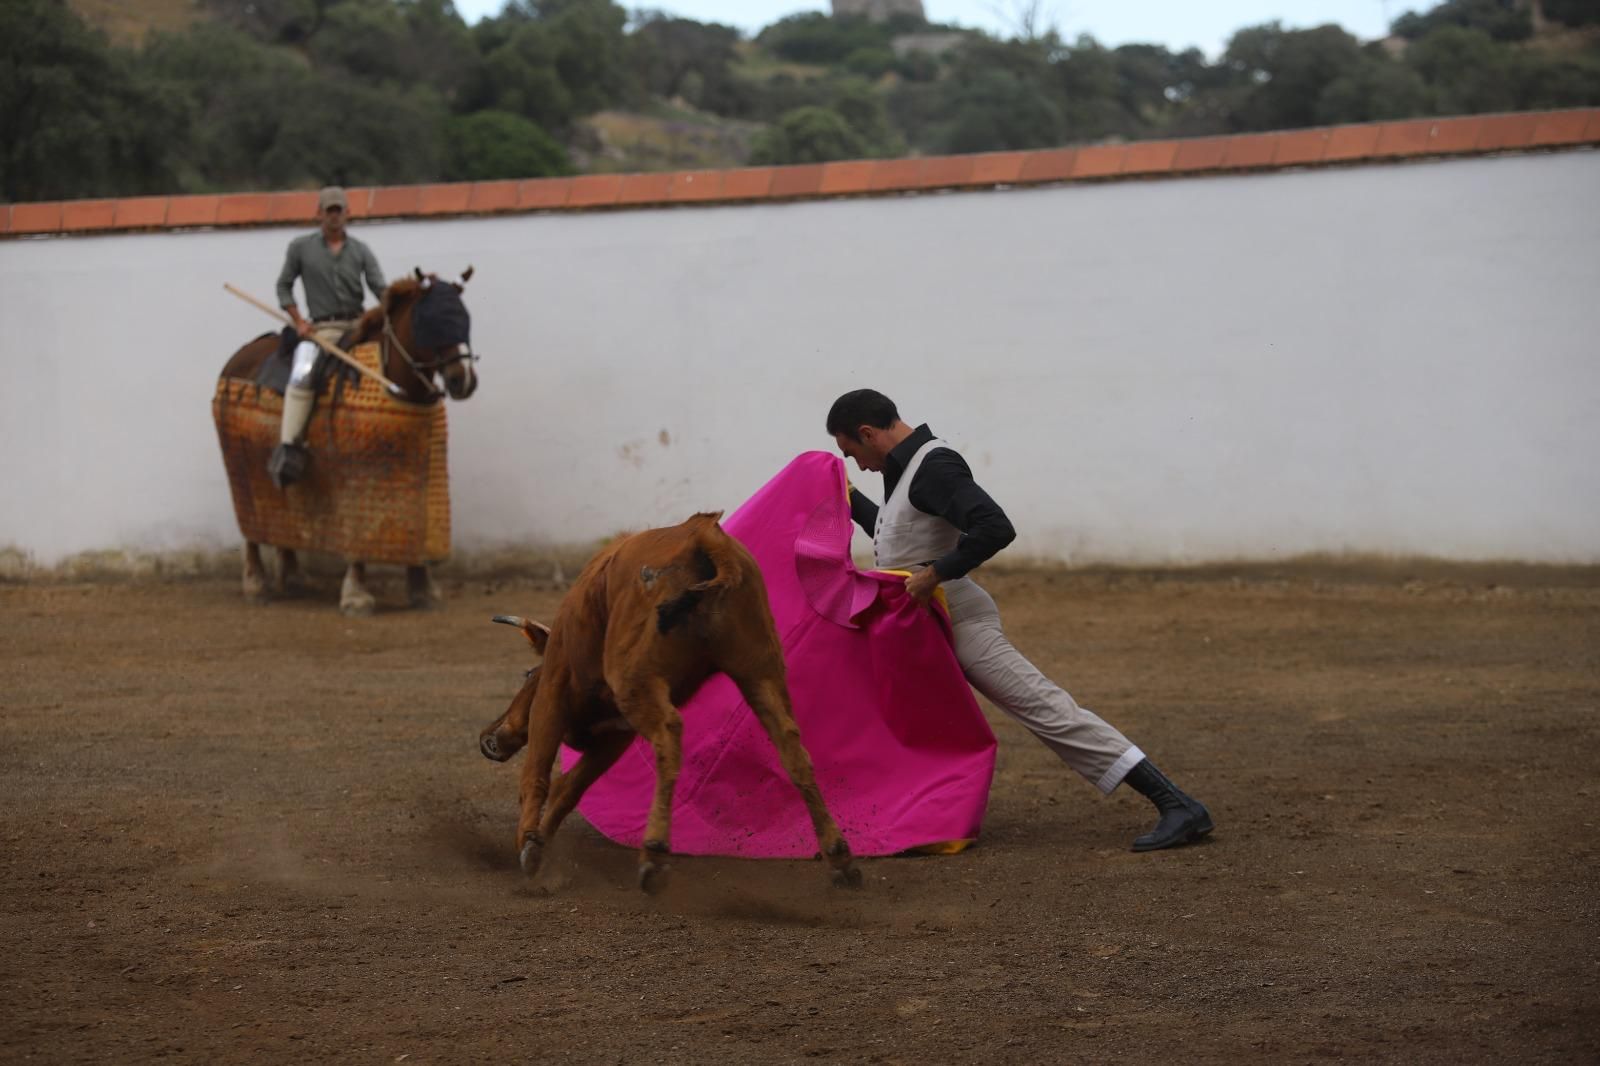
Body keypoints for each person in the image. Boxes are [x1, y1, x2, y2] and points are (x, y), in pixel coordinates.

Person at [825, 388, 1213, 852]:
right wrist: (849, 500)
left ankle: (1177, 804)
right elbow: (898, 542)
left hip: (960, 618)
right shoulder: (906, 471)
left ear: (868, 433)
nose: (859, 465)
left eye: (853, 453)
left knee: (1044, 707)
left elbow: (994, 526)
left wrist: (936, 574)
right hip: (924, 625)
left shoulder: (933, 466)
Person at [269, 186, 387, 487]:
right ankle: (288, 447)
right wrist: (299, 321)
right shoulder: (301, 248)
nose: (334, 216)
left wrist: (394, 307)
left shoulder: (360, 250)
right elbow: (284, 286)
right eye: (329, 210)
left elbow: (379, 287)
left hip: (358, 323)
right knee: (303, 371)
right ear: (319, 213)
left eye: (339, 210)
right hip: (324, 327)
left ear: (348, 213)